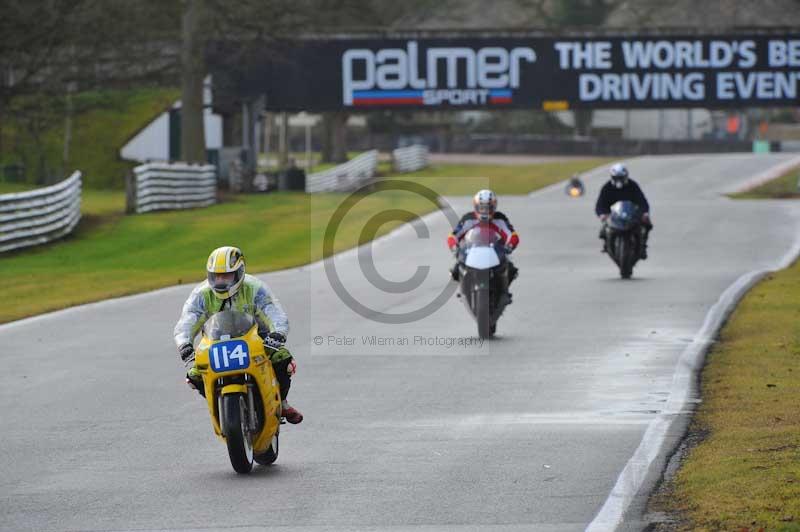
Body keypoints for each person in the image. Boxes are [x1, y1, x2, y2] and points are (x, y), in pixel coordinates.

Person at [174, 246, 303, 424]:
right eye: (216, 276)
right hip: (215, 342)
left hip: (258, 339)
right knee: (194, 376)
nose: (220, 281)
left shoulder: (255, 288)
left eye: (226, 276)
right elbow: (187, 321)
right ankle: (220, 406)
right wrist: (184, 343)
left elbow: (274, 312)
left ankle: (282, 402)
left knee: (283, 360)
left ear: (239, 272)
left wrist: (278, 332)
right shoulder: (201, 294)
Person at [447, 189, 520, 290]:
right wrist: (454, 247)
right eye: (481, 208)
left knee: (512, 271)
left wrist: (510, 246)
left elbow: (512, 235)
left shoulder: (500, 219)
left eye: (488, 208)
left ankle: (503, 291)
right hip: (472, 250)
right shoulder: (468, 219)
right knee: (455, 271)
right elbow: (454, 235)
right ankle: (464, 289)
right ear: (475, 207)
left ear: (494, 207)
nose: (485, 211)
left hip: (495, 251)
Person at [595, 163, 653, 259]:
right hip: (613, 215)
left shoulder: (633, 185)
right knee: (603, 230)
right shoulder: (607, 187)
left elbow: (642, 201)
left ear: (626, 176)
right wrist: (602, 214)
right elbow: (600, 204)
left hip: (631, 213)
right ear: (612, 177)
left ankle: (643, 246)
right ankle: (606, 244)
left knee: (647, 224)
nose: (619, 181)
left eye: (621, 177)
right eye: (616, 178)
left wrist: (644, 213)